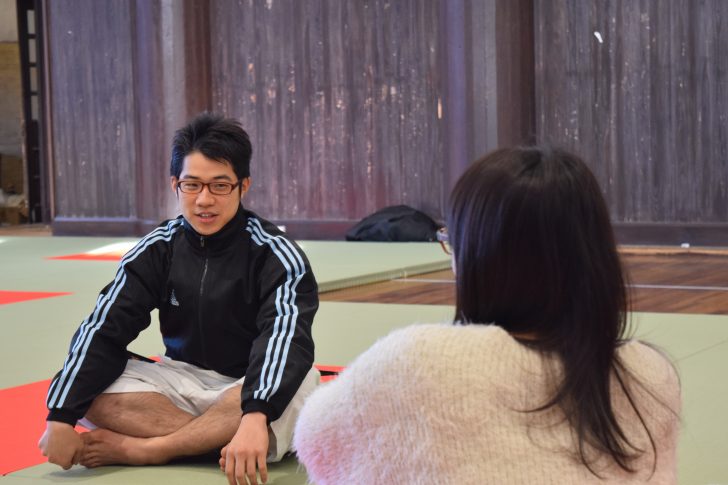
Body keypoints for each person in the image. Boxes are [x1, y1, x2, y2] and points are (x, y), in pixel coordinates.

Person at [293, 146, 681, 484]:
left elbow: (316, 441)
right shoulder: (650, 374)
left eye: (452, 241)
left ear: (477, 256)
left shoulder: (420, 360)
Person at [38, 113, 319, 485]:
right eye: (192, 185)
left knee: (299, 383)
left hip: (247, 385)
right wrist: (60, 417)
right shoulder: (158, 249)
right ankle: (223, 443)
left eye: (220, 185)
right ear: (175, 184)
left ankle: (153, 449)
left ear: (243, 186)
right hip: (181, 380)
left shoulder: (276, 255)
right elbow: (103, 328)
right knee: (78, 389)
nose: (204, 200)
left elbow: (283, 340)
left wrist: (254, 415)